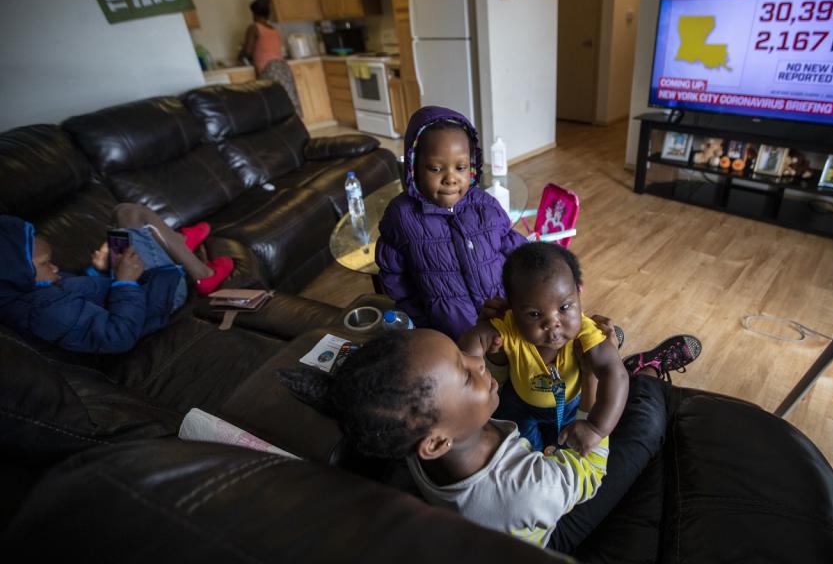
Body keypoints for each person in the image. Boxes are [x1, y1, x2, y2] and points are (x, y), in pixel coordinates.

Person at [278, 328, 703, 552]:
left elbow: (456, 388)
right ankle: (644, 371)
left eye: (463, 353)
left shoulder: (415, 434)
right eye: (467, 372)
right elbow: (588, 469)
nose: (477, 362)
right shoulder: (522, 490)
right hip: (548, 526)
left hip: (518, 491)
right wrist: (599, 378)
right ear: (437, 442)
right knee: (645, 427)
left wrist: (482, 352)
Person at [458, 242, 628, 454]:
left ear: (578, 293)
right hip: (521, 404)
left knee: (568, 446)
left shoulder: (586, 332)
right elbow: (473, 340)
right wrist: (469, 369)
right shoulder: (509, 325)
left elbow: (616, 374)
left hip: (570, 404)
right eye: (535, 314)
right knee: (523, 449)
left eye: (564, 307)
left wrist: (595, 427)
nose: (552, 323)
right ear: (512, 308)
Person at [376, 106, 528, 340]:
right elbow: (395, 276)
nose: (450, 178)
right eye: (436, 168)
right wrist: (421, 319)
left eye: (461, 167)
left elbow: (515, 249)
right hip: (450, 332)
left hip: (502, 317)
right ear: (414, 167)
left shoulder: (485, 205)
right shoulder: (401, 216)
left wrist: (545, 271)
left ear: (472, 165)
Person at [0, 204, 234, 354]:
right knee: (131, 214)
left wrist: (97, 270)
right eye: (44, 263)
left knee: (120, 218)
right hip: (156, 296)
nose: (55, 267)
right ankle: (203, 273)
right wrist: (126, 282)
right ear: (15, 272)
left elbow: (79, 295)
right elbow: (118, 336)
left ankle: (175, 244)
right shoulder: (45, 313)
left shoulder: (31, 288)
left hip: (125, 284)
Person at [239, 0, 302, 117]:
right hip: (283, 68)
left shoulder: (254, 28)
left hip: (270, 69)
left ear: (255, 14)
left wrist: (240, 54)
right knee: (289, 101)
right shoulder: (273, 29)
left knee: (274, 103)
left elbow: (247, 51)